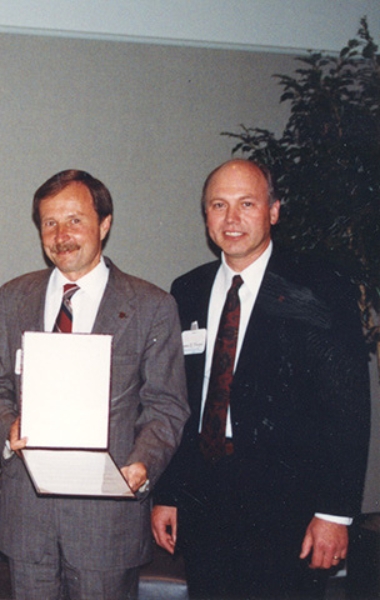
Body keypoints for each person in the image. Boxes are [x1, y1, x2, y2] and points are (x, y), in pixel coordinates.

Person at [151, 159, 371, 598]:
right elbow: (178, 401)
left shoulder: (319, 287)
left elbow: (347, 407)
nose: (231, 219)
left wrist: (335, 512)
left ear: (273, 211)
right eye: (218, 205)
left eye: (246, 204)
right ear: (206, 216)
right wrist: (168, 492)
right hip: (205, 504)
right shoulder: (186, 291)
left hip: (288, 510)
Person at [0, 169, 189, 599]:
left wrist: (143, 464)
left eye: (75, 220)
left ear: (105, 224)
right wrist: (8, 429)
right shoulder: (12, 297)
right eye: (49, 223)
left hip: (106, 521)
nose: (61, 235)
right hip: (28, 519)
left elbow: (166, 406)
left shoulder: (152, 306)